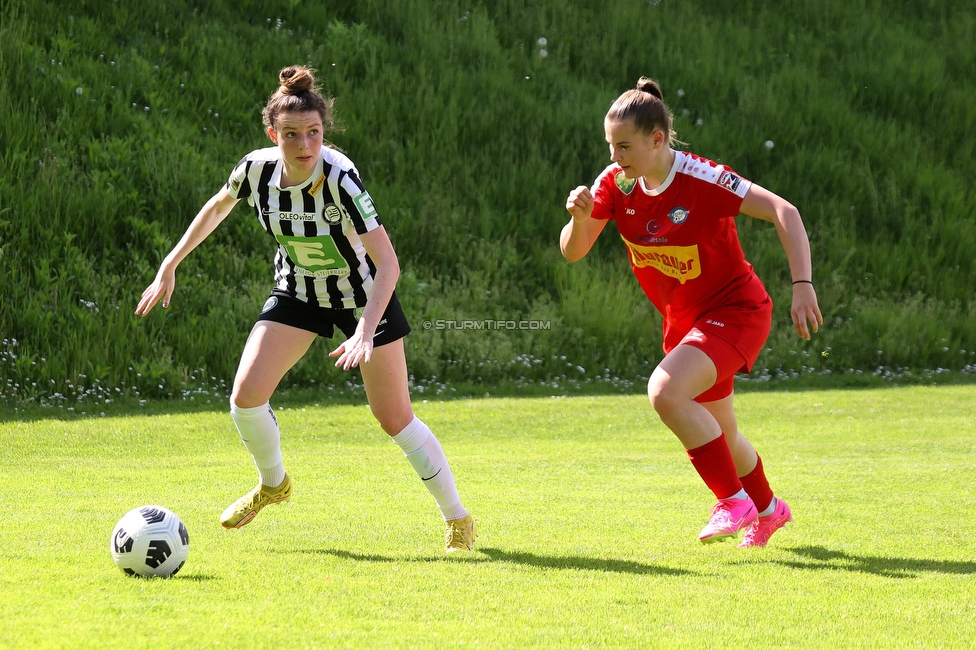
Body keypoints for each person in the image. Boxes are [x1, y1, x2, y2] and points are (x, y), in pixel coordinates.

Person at [135, 65, 477, 553]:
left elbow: (388, 264)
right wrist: (170, 264)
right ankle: (274, 484)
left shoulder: (340, 179)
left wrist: (364, 330)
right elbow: (218, 205)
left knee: (393, 416)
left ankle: (458, 518)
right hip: (299, 292)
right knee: (245, 397)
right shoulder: (255, 170)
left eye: (313, 133)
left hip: (363, 295)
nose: (304, 144)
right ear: (273, 134)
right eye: (291, 134)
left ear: (323, 132)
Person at [561, 77, 823, 548]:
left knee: (665, 391)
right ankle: (768, 510)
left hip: (737, 310)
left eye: (623, 146)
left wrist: (802, 285)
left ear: (656, 139)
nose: (614, 157)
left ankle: (732, 501)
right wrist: (578, 219)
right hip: (689, 324)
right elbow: (574, 252)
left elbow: (786, 212)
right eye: (609, 146)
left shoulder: (702, 178)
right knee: (725, 435)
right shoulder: (615, 184)